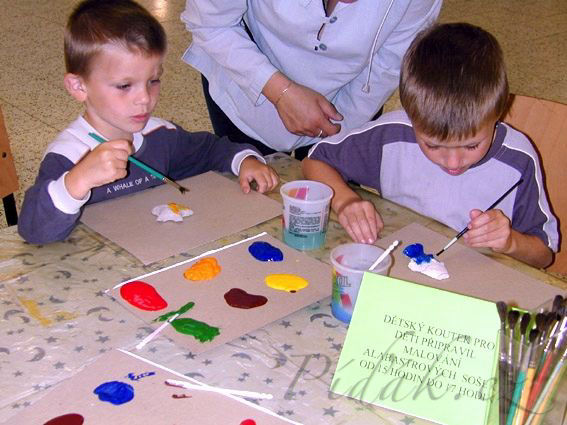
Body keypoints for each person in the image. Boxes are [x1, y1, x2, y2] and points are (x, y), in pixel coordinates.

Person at [18, 0, 278, 245]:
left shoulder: (160, 135)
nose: (144, 98)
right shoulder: (68, 155)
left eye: (153, 81)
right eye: (124, 85)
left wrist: (245, 160)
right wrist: (77, 181)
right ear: (79, 86)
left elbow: (210, 150)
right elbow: (33, 230)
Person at [302, 23, 559, 269]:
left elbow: (543, 256)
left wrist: (511, 241)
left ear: (499, 113)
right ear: (410, 116)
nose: (453, 163)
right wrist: (345, 201)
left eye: (471, 146)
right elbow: (315, 162)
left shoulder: (517, 161)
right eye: (433, 145)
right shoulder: (393, 134)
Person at [181, 0, 443, 157]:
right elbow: (210, 24)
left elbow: (388, 65)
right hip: (244, 83)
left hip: (348, 101)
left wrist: (337, 129)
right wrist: (279, 91)